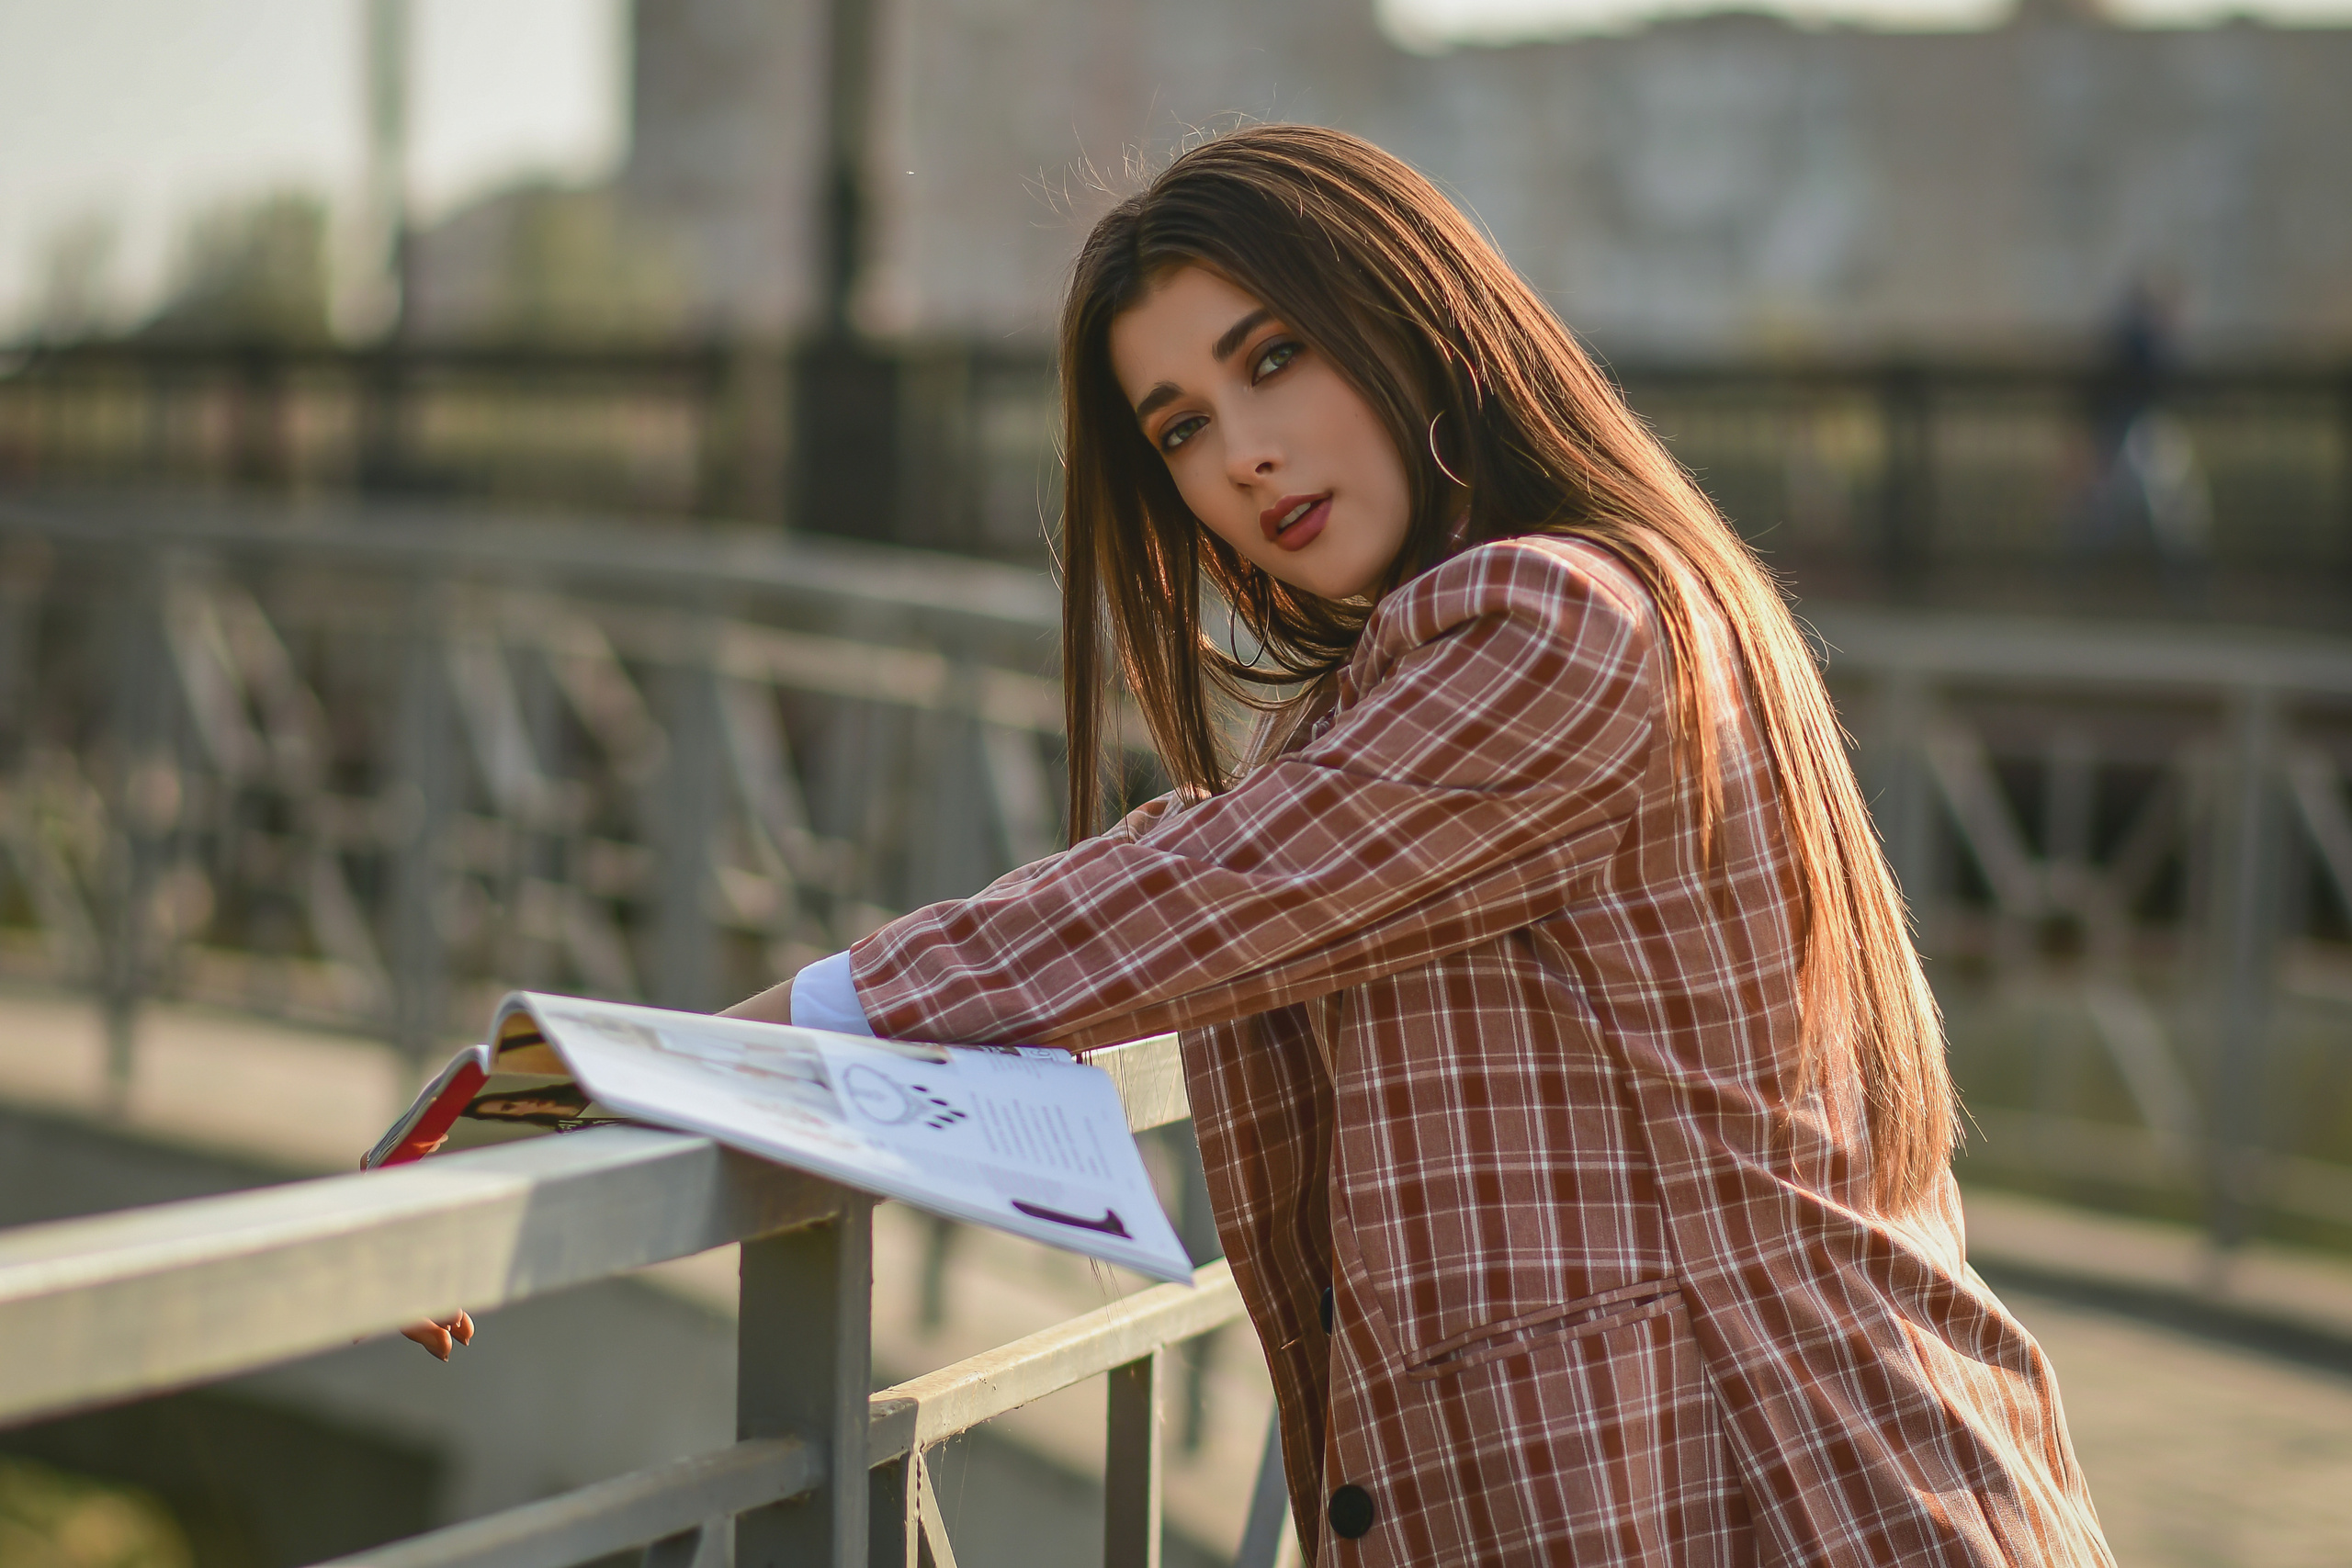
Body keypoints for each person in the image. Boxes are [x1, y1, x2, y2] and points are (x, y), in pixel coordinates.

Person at [732, 124, 2111, 1565]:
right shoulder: (1427, 682)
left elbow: (1208, 890)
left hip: (1806, 1495)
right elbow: (1232, 852)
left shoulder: (1562, 626)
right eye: (1181, 428)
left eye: (1275, 359)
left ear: (1415, 321)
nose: (1244, 455)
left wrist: (722, 1046)